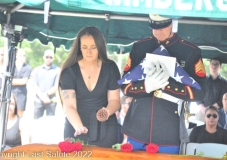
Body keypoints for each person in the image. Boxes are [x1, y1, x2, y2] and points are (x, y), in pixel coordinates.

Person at [120, 14, 206, 154]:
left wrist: (166, 85)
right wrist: (146, 86)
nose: (157, 32)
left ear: (172, 23)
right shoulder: (139, 47)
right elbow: (125, 86)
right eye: (154, 27)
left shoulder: (190, 51)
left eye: (162, 27)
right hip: (136, 128)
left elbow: (200, 92)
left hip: (168, 132)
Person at [59, 26, 121, 148]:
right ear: (79, 48)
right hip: (75, 126)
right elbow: (69, 106)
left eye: (93, 47)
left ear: (100, 47)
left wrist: (107, 112)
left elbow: (115, 100)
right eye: (84, 47)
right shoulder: (69, 71)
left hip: (106, 129)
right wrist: (79, 127)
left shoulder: (110, 67)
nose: (89, 52)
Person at [196, 58, 227, 122]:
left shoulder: (225, 83)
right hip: (203, 112)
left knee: (219, 131)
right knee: (199, 130)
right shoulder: (203, 81)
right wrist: (203, 108)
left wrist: (210, 110)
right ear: (209, 66)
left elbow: (223, 100)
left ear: (220, 67)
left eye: (216, 64)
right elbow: (198, 95)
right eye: (212, 64)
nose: (214, 66)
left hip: (219, 114)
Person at [32, 49, 60, 119]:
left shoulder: (57, 70)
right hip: (38, 100)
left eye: (51, 57)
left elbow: (56, 86)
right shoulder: (37, 70)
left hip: (51, 101)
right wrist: (42, 96)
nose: (48, 59)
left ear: (53, 58)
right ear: (43, 57)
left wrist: (46, 94)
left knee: (50, 124)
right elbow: (35, 85)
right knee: (36, 123)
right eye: (47, 57)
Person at [11, 48, 32, 117]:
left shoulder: (28, 67)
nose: (22, 57)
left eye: (24, 55)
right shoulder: (10, 66)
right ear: (16, 56)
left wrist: (12, 81)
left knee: (19, 115)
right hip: (11, 93)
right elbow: (7, 80)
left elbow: (24, 81)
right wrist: (12, 81)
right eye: (20, 55)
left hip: (21, 94)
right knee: (9, 112)